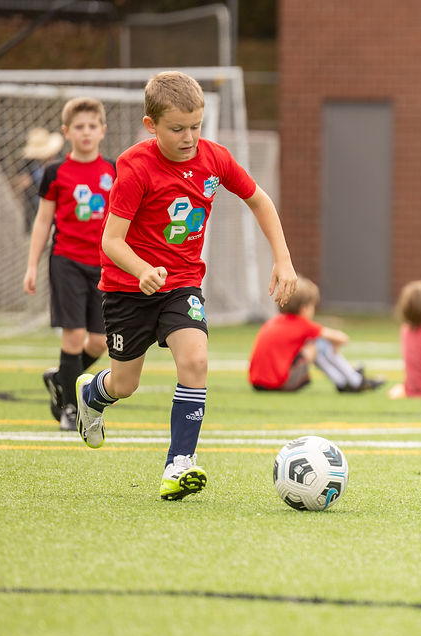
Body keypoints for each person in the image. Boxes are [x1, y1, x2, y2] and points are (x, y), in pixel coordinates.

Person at [74, 71, 298, 501]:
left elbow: (259, 200)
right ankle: (94, 393)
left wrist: (283, 260)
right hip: (128, 289)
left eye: (195, 126)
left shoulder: (214, 159)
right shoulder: (135, 167)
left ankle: (180, 463)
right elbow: (111, 241)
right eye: (178, 129)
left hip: (182, 285)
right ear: (151, 125)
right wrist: (142, 270)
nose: (190, 137)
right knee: (125, 384)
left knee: (195, 361)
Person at [22, 97, 114, 431]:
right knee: (73, 337)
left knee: (99, 342)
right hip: (66, 262)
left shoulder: (114, 171)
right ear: (67, 132)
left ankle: (62, 377)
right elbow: (43, 221)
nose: (86, 132)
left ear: (102, 130)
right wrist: (32, 265)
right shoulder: (54, 172)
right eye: (79, 127)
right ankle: (71, 410)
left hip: (104, 266)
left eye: (92, 126)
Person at [248, 276, 385, 393]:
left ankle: (346, 380)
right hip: (280, 383)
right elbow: (343, 339)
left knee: (314, 342)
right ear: (304, 308)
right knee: (319, 344)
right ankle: (352, 381)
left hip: (257, 384)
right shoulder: (302, 324)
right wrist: (334, 343)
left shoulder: (273, 322)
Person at [13, 126, 65, 231]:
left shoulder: (59, 162)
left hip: (57, 211)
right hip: (35, 210)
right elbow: (19, 183)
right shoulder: (29, 164)